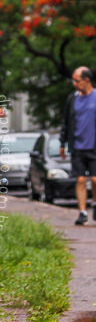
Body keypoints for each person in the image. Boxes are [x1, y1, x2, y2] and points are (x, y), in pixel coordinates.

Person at [60, 66, 96, 225]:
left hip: (94, 146)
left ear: (87, 80)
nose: (74, 84)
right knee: (80, 180)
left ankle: (95, 204)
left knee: (95, 180)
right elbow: (65, 122)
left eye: (77, 80)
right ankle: (82, 212)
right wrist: (63, 143)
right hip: (77, 146)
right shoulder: (72, 99)